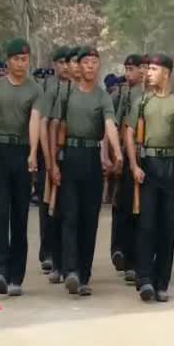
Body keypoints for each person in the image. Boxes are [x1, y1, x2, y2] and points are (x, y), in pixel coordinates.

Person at [123, 53, 174, 302]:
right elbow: (130, 134)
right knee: (146, 224)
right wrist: (134, 165)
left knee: (168, 225)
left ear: (166, 72)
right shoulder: (143, 101)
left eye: (154, 69)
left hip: (173, 166)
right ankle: (144, 278)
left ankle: (161, 281)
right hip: (149, 165)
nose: (149, 73)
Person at [50, 46, 122, 297]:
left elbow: (110, 125)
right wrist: (52, 163)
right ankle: (70, 270)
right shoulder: (67, 94)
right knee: (70, 215)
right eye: (87, 62)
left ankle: (83, 275)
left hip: (92, 158)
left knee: (89, 219)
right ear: (78, 67)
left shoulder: (102, 97)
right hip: (70, 156)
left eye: (95, 62)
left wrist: (117, 151)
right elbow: (55, 127)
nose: (91, 66)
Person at [0, 38, 42, 296]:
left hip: (23, 152)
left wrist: (34, 152)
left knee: (20, 217)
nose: (21, 63)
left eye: (24, 59)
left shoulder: (35, 90)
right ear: (8, 60)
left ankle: (17, 276)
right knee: (0, 215)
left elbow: (35, 120)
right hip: (0, 154)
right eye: (16, 59)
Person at [110, 54, 144, 284]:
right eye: (127, 68)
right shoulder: (123, 94)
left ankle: (134, 259)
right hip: (124, 152)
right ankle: (118, 250)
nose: (129, 73)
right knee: (120, 205)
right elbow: (115, 123)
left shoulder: (148, 94)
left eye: (133, 68)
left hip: (143, 155)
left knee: (138, 210)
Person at [38, 46, 71, 281]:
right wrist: (47, 160)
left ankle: (66, 258)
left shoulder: (80, 88)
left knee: (66, 208)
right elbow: (42, 123)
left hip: (73, 154)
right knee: (48, 205)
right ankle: (48, 252)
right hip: (48, 152)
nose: (65, 67)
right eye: (61, 62)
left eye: (69, 62)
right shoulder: (47, 89)